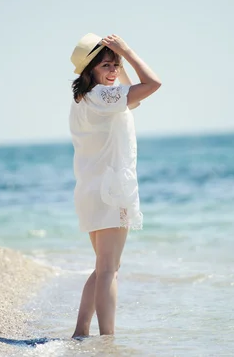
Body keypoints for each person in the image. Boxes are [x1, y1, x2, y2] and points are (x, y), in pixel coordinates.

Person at [68, 33, 162, 337]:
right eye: (106, 65)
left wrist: (116, 56)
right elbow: (153, 84)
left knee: (102, 267)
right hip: (111, 192)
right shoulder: (105, 97)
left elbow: (127, 94)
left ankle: (81, 332)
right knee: (109, 270)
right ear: (90, 70)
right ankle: (108, 342)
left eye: (114, 65)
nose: (112, 70)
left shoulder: (87, 99)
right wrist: (129, 52)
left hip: (91, 192)